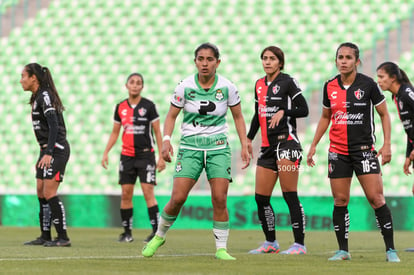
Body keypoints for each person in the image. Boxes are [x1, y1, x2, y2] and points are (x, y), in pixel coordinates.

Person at [141, 42, 250, 260]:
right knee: (178, 197)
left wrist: (245, 143)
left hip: (218, 147)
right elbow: (171, 116)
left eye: (210, 59)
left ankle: (221, 248)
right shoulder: (184, 86)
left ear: (218, 62)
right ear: (195, 62)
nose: (205, 64)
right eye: (201, 59)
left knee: (219, 197)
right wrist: (165, 140)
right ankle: (160, 235)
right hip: (190, 147)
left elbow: (238, 117)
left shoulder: (228, 87)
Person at [306, 42, 400, 262]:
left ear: (357, 61)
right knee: (340, 200)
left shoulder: (368, 85)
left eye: (348, 57)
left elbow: (384, 115)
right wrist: (313, 145)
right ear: (336, 60)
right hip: (338, 151)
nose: (343, 61)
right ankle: (343, 251)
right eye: (340, 57)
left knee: (376, 199)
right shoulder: (329, 86)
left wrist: (386, 145)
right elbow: (325, 117)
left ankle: (390, 250)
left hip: (364, 150)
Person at [247, 46, 308, 255]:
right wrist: (248, 138)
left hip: (288, 144)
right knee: (261, 198)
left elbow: (304, 109)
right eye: (264, 58)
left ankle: (299, 244)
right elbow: (258, 113)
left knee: (289, 194)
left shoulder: (288, 82)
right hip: (267, 147)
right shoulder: (259, 84)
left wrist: (284, 111)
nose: (267, 62)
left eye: (272, 59)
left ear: (280, 63)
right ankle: (270, 242)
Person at [102, 73, 165, 243]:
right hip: (127, 157)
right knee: (125, 194)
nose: (135, 85)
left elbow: (157, 131)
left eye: (139, 83)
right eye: (132, 82)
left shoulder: (149, 106)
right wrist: (106, 151)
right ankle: (127, 233)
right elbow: (115, 132)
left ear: (142, 87)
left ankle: (156, 233)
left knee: (148, 193)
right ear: (127, 85)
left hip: (146, 155)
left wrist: (161, 156)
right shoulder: (120, 107)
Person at [20, 63, 71, 247]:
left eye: (23, 76)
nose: (21, 81)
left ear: (34, 78)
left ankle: (63, 237)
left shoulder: (45, 96)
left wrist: (49, 152)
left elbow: (54, 125)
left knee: (49, 192)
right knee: (41, 192)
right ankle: (45, 235)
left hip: (56, 149)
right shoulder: (37, 97)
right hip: (46, 150)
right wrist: (44, 151)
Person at [376, 62, 414, 196]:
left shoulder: (406, 93)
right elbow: (410, 129)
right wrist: (408, 154)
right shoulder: (397, 96)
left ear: (392, 78)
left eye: (381, 77)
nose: (378, 81)